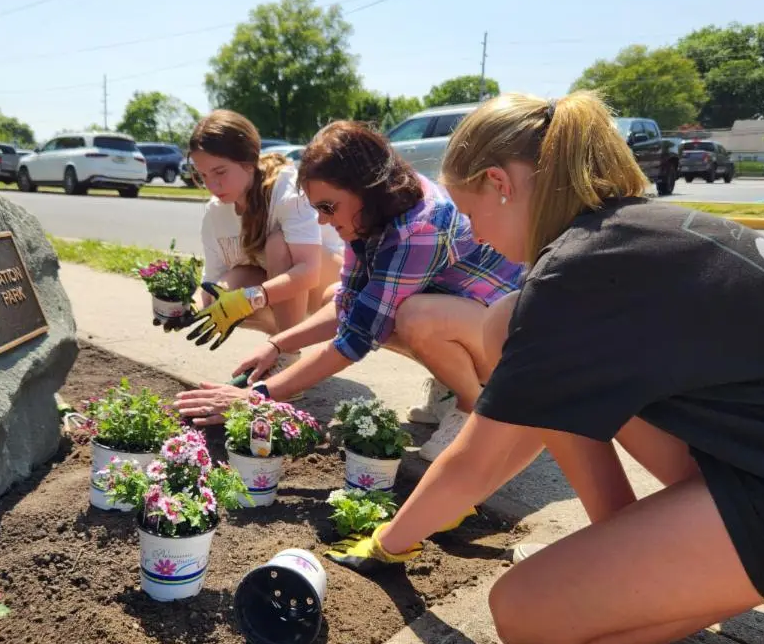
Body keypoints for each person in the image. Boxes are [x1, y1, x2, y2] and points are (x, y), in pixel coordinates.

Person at [326, 90, 764, 644]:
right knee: (507, 325)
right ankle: (636, 554)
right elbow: (529, 410)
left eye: (469, 216)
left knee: (526, 614)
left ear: (500, 183)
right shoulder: (628, 232)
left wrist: (389, 543)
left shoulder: (576, 271)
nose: (477, 238)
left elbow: (480, 459)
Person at [174, 120, 526, 460]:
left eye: (328, 207)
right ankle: (453, 383)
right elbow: (347, 304)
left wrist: (256, 396)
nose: (324, 220)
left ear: (366, 188)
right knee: (340, 298)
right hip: (474, 322)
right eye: (318, 210)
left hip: (510, 348)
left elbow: (357, 337)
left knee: (415, 317)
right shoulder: (376, 211)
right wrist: (277, 344)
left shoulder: (421, 227)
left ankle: (471, 405)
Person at [181, 110, 343, 374]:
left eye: (220, 171)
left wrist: (250, 299)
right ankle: (278, 343)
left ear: (248, 161)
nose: (212, 184)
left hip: (332, 286)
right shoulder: (215, 213)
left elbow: (309, 272)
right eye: (203, 175)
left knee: (278, 243)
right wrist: (188, 311)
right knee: (225, 286)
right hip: (281, 293)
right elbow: (214, 279)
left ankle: (286, 356)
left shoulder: (286, 189)